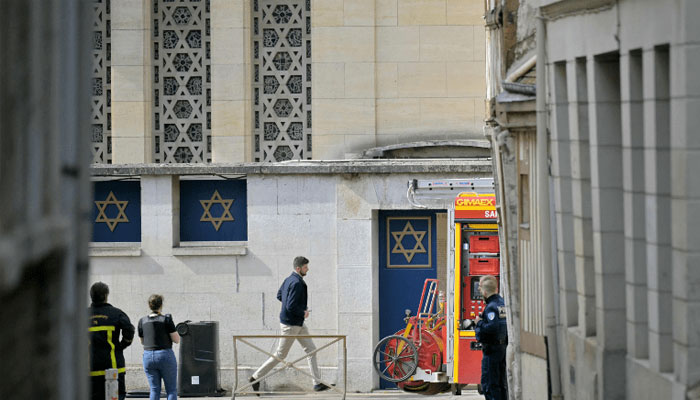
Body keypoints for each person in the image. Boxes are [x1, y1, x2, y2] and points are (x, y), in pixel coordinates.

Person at [249, 256, 330, 393]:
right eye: (305, 267)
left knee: (311, 350)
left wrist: (294, 310)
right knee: (280, 355)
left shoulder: (288, 280)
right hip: (292, 324)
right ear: (298, 268)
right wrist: (302, 312)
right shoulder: (297, 283)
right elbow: (290, 305)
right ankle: (255, 377)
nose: (307, 269)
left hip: (297, 324)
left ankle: (317, 383)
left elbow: (280, 295)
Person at [88, 282, 135, 400]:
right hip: (114, 369)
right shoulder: (117, 313)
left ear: (91, 296)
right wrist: (121, 346)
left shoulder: (82, 315)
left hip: (90, 369)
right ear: (106, 296)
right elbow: (129, 330)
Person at [138, 294, 180, 400]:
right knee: (171, 390)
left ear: (149, 305)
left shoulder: (142, 321)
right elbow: (177, 340)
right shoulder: (166, 319)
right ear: (161, 305)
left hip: (148, 356)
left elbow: (142, 341)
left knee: (154, 390)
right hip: (165, 355)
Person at [474, 275, 508, 400]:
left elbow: (491, 328)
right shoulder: (502, 303)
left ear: (484, 291)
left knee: (489, 384)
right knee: (501, 384)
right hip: (502, 348)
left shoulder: (491, 307)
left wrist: (479, 323)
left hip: (492, 350)